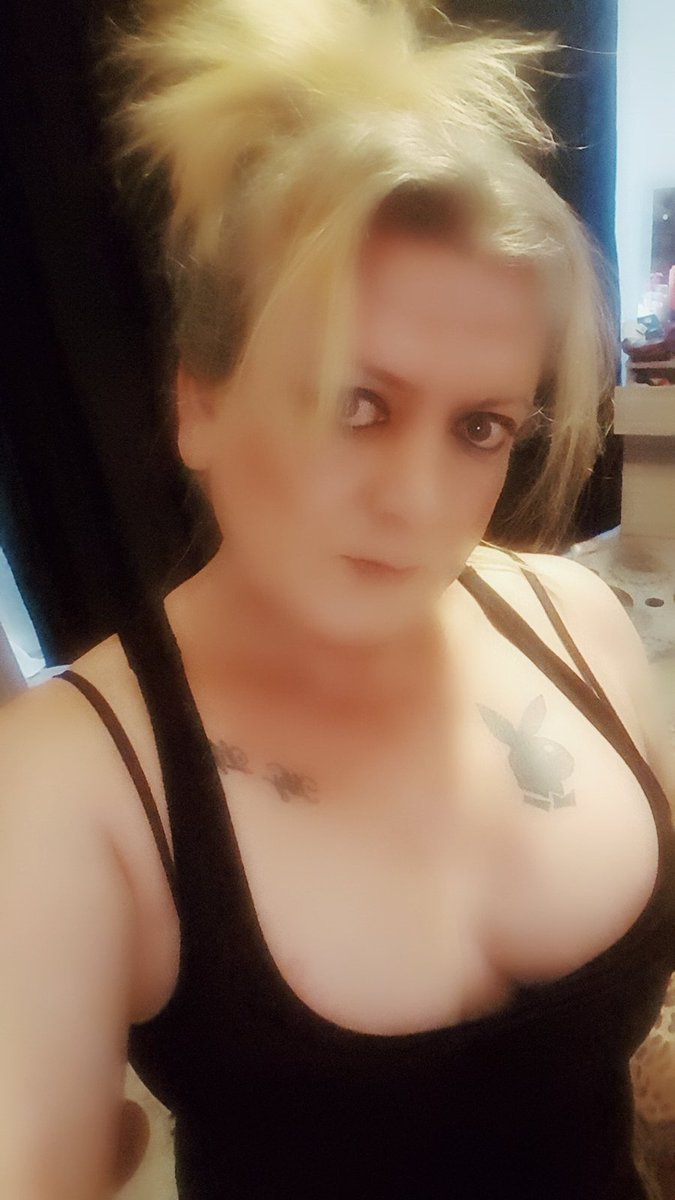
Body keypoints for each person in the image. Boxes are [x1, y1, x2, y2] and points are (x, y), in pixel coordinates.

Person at [1, 1, 674, 1197]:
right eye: (354, 404)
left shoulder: (579, 623)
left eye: (480, 427)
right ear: (198, 402)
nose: (418, 500)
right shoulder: (72, 785)